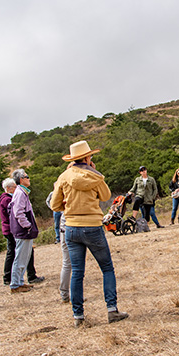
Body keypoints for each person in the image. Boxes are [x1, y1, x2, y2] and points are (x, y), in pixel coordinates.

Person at [51, 140, 128, 327]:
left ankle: (78, 316)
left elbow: (54, 204)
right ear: (86, 157)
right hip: (92, 226)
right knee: (107, 268)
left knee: (77, 272)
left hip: (71, 227)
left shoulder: (64, 176)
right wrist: (95, 172)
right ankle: (112, 309)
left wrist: (67, 205)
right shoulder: (95, 177)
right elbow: (106, 196)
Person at [0, 178, 42, 288]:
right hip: (12, 229)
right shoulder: (7, 199)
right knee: (18, 253)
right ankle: (18, 278)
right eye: (14, 187)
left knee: (16, 253)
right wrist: (27, 225)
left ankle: (14, 277)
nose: (16, 189)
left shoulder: (9, 198)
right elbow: (16, 214)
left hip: (11, 228)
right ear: (8, 188)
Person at [9, 169, 39, 293]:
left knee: (24, 256)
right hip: (23, 231)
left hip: (23, 230)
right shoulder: (20, 193)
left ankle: (20, 282)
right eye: (27, 177)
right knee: (20, 256)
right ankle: (15, 284)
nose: (29, 179)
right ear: (21, 179)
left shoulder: (21, 192)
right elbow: (18, 212)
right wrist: (27, 226)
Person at [47, 190, 71, 303]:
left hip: (64, 228)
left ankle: (65, 294)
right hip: (73, 226)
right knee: (75, 265)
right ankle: (70, 294)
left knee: (67, 263)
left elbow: (54, 205)